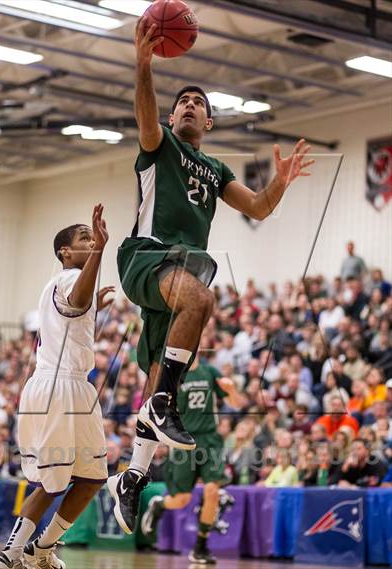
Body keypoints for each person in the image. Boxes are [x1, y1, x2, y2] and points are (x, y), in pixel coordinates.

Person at [108, 17, 315, 535]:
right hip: (147, 256)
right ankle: (159, 407)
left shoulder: (216, 168)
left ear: (211, 122)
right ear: (173, 114)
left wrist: (282, 183)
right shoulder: (159, 145)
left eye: (199, 102)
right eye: (183, 100)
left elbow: (260, 209)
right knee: (200, 303)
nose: (190, 105)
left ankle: (130, 478)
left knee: (162, 372)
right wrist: (143, 65)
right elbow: (146, 114)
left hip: (178, 268)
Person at [0, 205, 114, 569]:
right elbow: (76, 298)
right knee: (53, 482)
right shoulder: (67, 279)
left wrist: (94, 307)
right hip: (58, 388)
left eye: (93, 238)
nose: (91, 242)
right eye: (84, 238)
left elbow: (76, 316)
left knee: (92, 478)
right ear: (65, 252)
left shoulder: (67, 285)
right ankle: (10, 552)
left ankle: (42, 548)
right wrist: (102, 250)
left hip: (74, 387)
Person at [140, 355, 242, 564]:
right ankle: (159, 505)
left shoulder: (209, 372)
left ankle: (200, 547)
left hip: (210, 439)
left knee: (212, 490)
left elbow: (236, 404)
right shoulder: (173, 375)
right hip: (183, 441)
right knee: (181, 500)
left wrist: (231, 390)